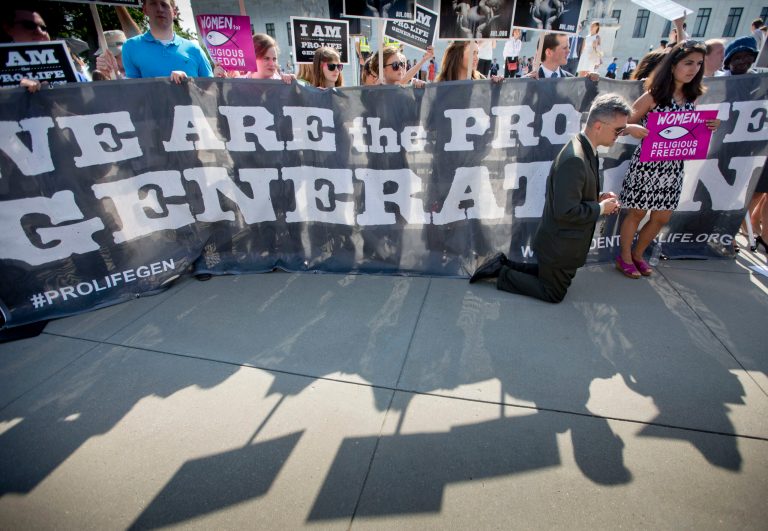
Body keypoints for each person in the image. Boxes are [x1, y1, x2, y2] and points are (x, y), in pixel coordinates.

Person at [469, 94, 637, 303]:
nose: (619, 136)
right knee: (553, 292)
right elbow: (566, 211)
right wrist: (601, 208)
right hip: (560, 244)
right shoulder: (576, 159)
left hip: (562, 242)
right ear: (598, 126)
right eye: (618, 130)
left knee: (547, 275)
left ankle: (501, 264)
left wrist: (598, 198)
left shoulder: (586, 148)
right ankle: (500, 274)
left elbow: (573, 194)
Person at [616, 41, 720, 279]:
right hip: (646, 164)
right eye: (688, 63)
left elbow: (690, 130)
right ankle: (624, 257)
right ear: (673, 65)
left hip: (674, 166)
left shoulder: (691, 98)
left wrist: (710, 126)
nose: (694, 68)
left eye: (698, 64)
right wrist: (632, 128)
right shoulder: (653, 96)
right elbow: (622, 123)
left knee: (662, 216)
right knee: (637, 213)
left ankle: (638, 254)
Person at [121, 0, 212, 83]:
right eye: (153, 3)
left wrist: (188, 82)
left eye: (164, 4)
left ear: (174, 11)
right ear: (145, 9)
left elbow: (210, 90)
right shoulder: (131, 47)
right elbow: (132, 93)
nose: (160, 9)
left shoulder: (194, 49)